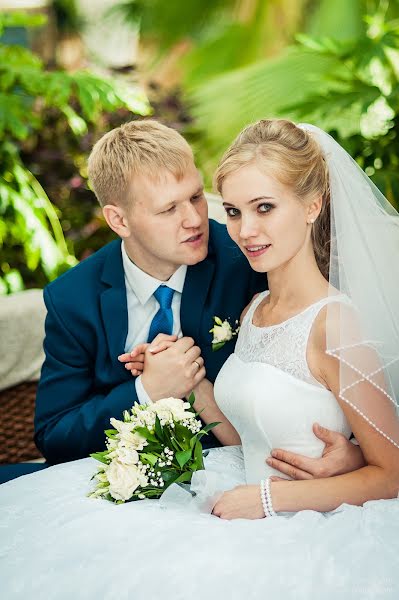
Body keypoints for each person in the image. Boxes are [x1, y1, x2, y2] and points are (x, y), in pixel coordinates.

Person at [2, 119, 398, 600]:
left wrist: (354, 454)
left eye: (196, 197)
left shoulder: (246, 259)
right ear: (119, 220)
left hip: (264, 497)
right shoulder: (74, 298)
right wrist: (152, 389)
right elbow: (54, 435)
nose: (197, 220)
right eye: (169, 208)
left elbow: (337, 389)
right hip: (165, 486)